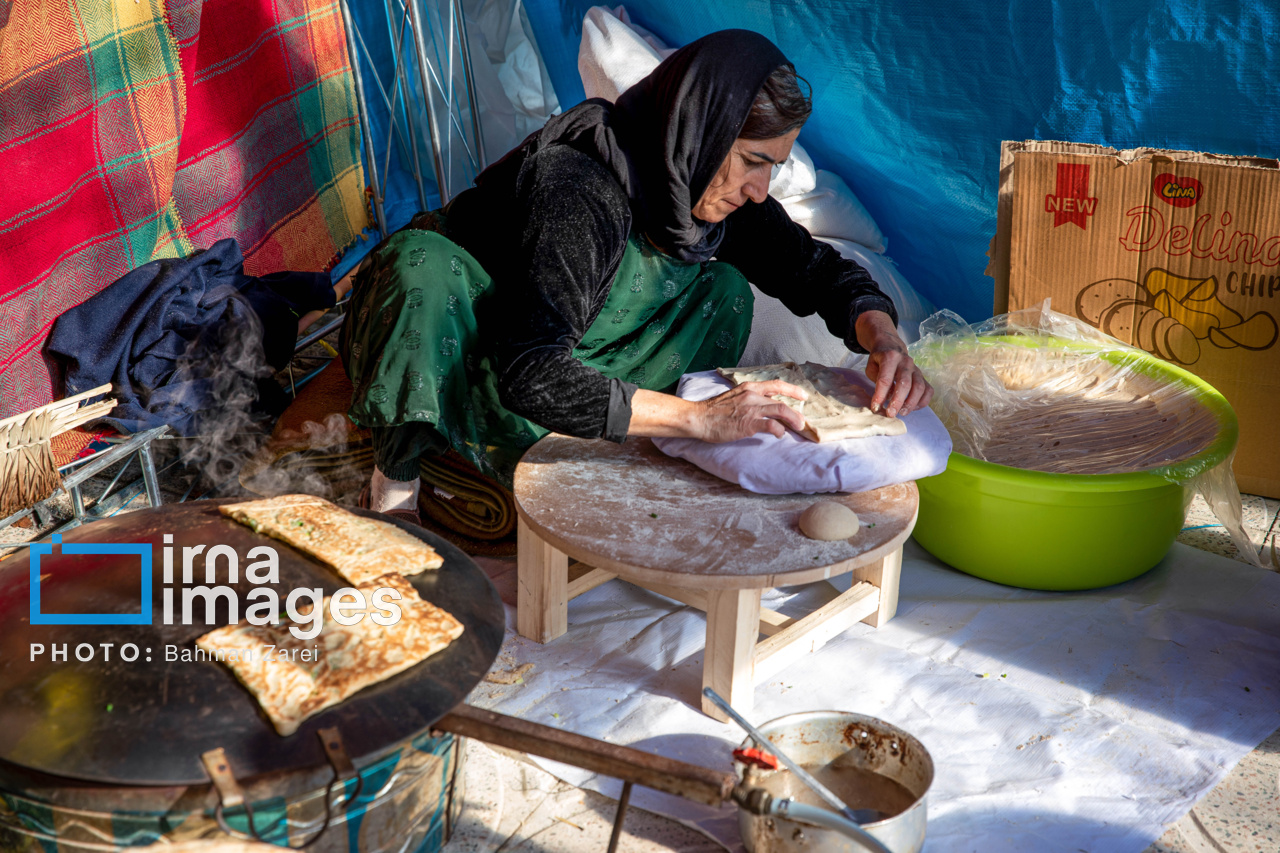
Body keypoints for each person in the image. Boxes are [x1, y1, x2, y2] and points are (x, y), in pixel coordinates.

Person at [341, 29, 933, 523]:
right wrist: (702, 418)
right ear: (699, 129)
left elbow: (816, 270)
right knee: (421, 264)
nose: (760, 189)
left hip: (576, 363)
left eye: (773, 168)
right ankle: (398, 488)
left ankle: (585, 452)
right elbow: (532, 372)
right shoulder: (579, 186)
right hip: (475, 355)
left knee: (722, 292)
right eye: (753, 161)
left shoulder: (705, 188)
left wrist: (881, 338)